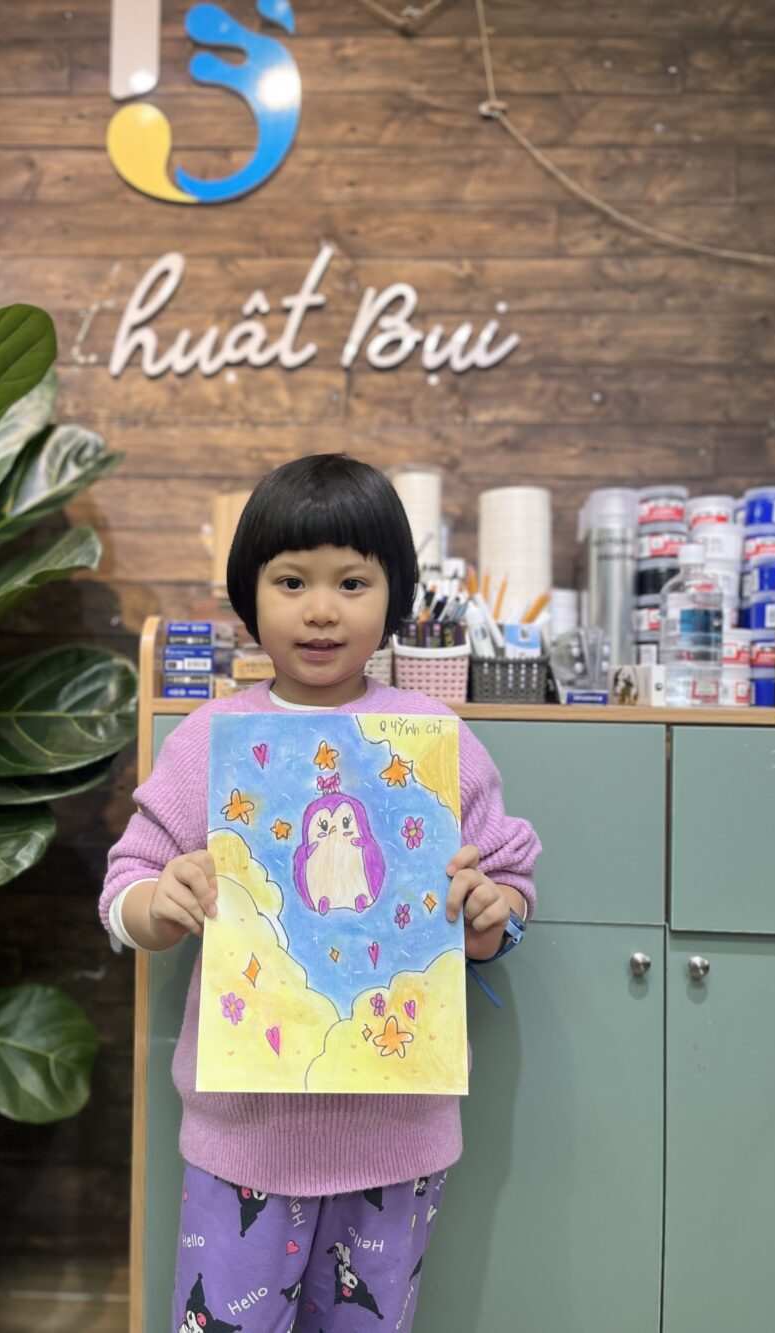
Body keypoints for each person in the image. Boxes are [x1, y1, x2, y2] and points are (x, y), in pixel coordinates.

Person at [100, 453, 541, 1332]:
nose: (321, 609)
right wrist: (158, 904)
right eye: (292, 580)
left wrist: (493, 915)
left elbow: (508, 879)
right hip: (242, 1140)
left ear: (396, 594)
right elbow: (127, 880)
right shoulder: (209, 739)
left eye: (352, 581)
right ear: (249, 593)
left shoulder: (433, 740)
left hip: (397, 1141)